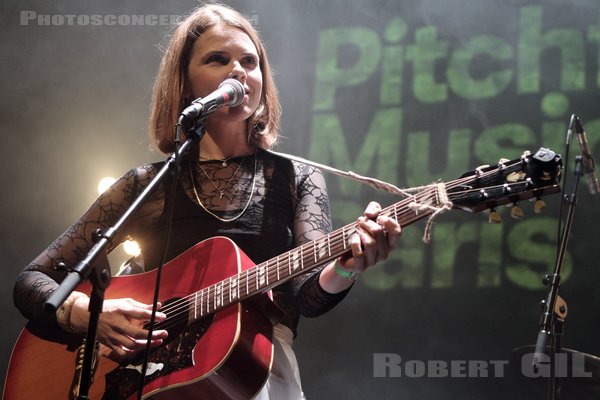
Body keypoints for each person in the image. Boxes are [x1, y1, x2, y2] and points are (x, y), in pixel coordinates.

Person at [13, 4, 401, 399]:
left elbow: (306, 295)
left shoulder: (296, 178)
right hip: (149, 383)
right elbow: (32, 281)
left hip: (254, 373)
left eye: (250, 62)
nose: (239, 71)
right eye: (219, 59)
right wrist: (89, 317)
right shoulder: (148, 184)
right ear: (184, 84)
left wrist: (345, 267)